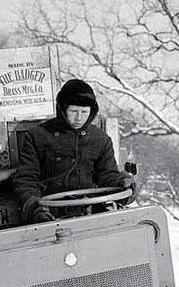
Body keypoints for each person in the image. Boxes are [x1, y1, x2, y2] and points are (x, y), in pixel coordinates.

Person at [13, 79, 136, 223]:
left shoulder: (100, 140)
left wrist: (122, 182)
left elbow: (107, 175)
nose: (79, 118)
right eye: (73, 111)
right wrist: (35, 209)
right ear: (63, 109)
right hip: (50, 214)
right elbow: (26, 179)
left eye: (84, 112)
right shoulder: (38, 136)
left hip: (90, 213)